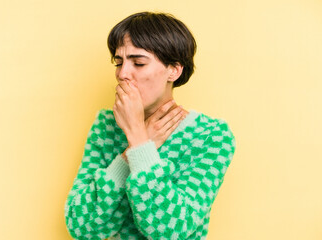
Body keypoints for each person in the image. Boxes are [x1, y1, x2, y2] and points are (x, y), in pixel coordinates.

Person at [64, 11, 236, 240]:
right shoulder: (105, 126)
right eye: (119, 62)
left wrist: (139, 141)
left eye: (138, 62)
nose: (123, 74)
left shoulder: (211, 136)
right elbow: (82, 228)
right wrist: (131, 153)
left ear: (174, 70)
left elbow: (170, 231)